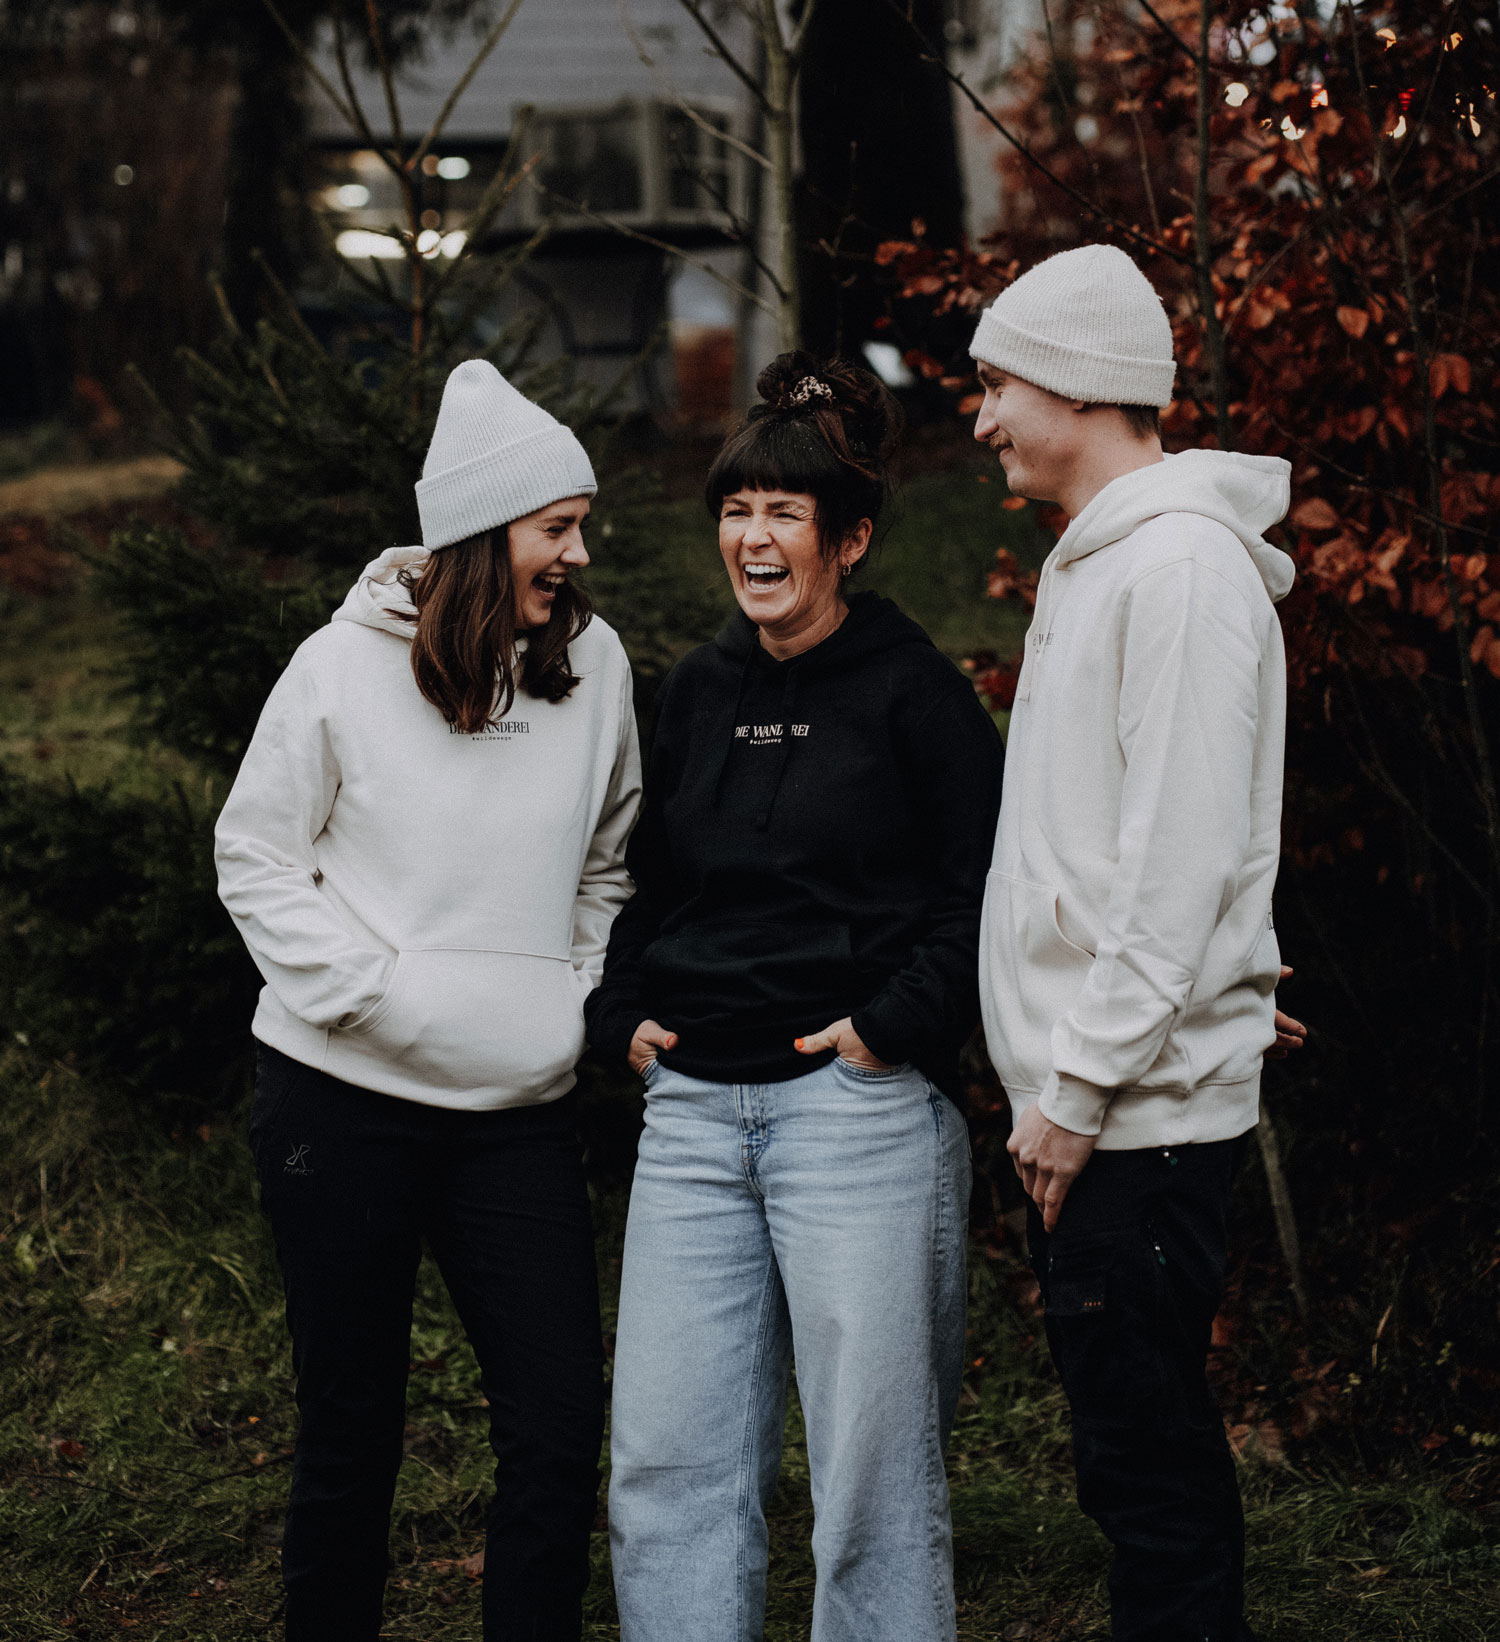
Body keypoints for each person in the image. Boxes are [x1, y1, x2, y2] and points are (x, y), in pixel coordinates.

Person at [213, 360, 640, 1642]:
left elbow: (608, 861)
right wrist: (373, 996)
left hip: (517, 1115)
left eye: (581, 525)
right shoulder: (338, 669)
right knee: (353, 1429)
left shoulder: (595, 665)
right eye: (556, 527)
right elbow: (255, 852)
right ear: (484, 532)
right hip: (340, 1101)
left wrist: (567, 992)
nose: (578, 553)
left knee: (557, 1425)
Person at [584, 352, 1005, 1642]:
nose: (752, 538)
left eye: (783, 512)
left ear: (850, 538)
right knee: (666, 1468)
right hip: (691, 1119)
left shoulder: (914, 693)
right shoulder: (697, 689)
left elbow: (983, 891)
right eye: (735, 509)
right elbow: (650, 884)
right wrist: (622, 1015)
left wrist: (889, 1029)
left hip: (853, 1120)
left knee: (871, 1484)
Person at [969, 243, 1300, 1642]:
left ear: (1079, 384)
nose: (980, 416)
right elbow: (1143, 846)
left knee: (1150, 1471)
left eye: (997, 383)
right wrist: (1218, 975)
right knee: (1129, 1453)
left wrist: (1082, 1083)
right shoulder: (1101, 562)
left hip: (1126, 1114)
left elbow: (1176, 856)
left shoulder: (1178, 571)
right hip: (1112, 1091)